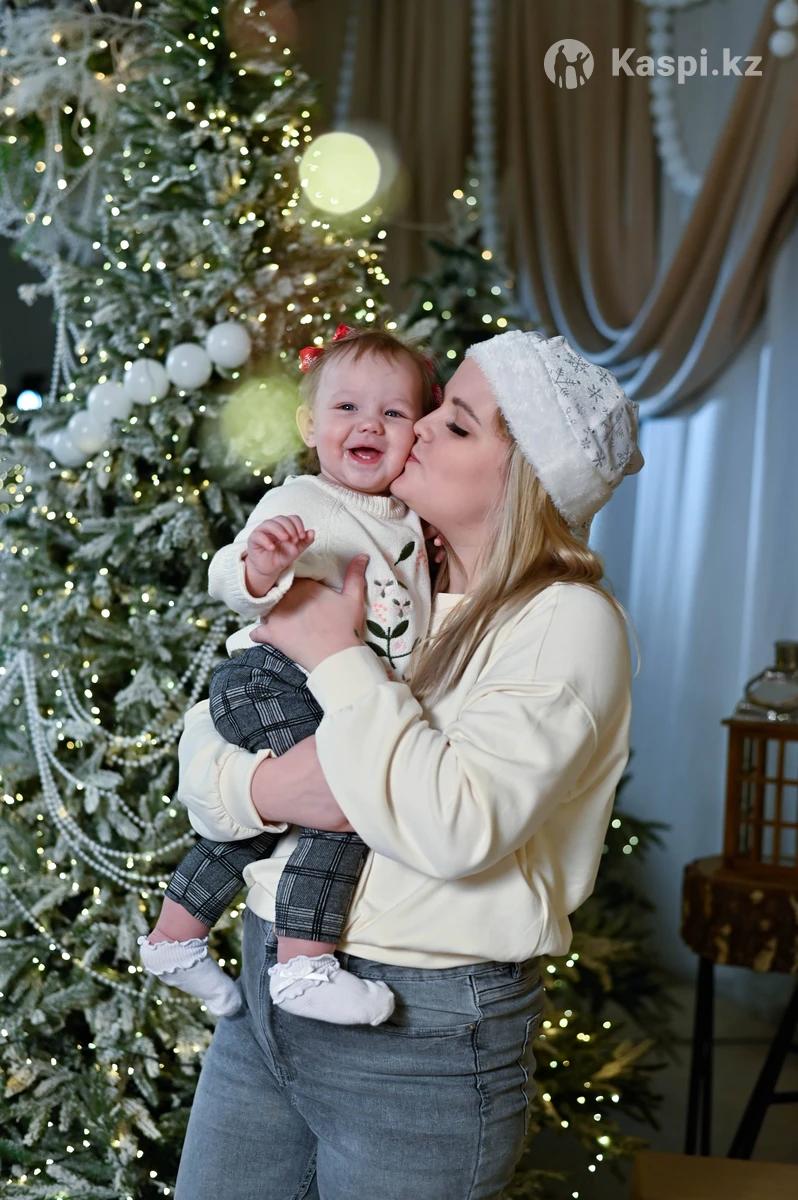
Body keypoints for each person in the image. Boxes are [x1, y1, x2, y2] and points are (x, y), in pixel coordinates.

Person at [171, 329, 644, 1199]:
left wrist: (334, 655)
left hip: (419, 1033)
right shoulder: (385, 564)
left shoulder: (565, 623)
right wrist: (259, 788)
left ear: (525, 479)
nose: (415, 426)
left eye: (455, 423)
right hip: (269, 980)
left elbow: (454, 826)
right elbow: (208, 736)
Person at [138, 326, 438, 1026]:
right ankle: (303, 965)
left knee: (268, 823)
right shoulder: (301, 500)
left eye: (393, 413)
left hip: (327, 692)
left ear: (417, 431)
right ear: (308, 425)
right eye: (346, 408)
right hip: (270, 678)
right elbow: (228, 574)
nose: (369, 424)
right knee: (349, 797)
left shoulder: (411, 519)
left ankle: (173, 939)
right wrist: (262, 567)